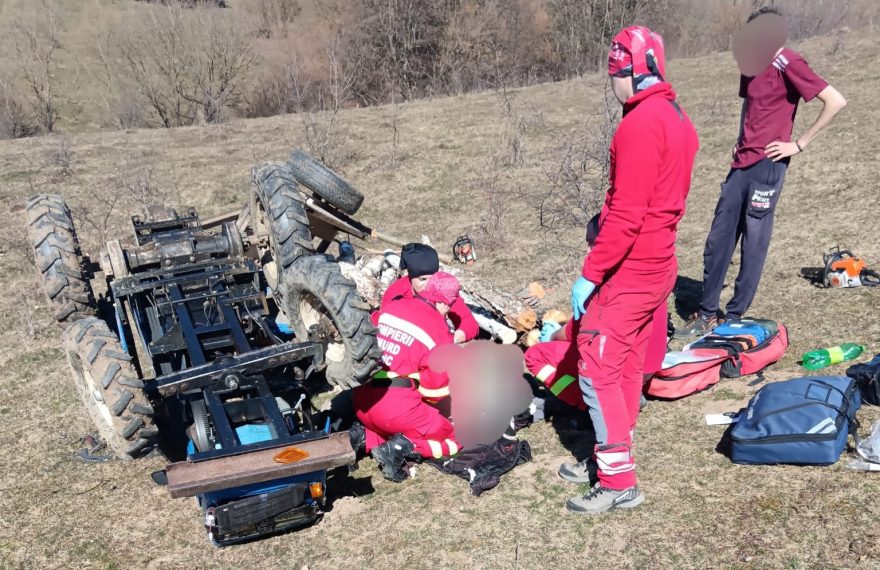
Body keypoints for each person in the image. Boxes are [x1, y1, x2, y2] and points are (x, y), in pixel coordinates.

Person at [563, 25, 699, 514]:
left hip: (632, 268)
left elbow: (626, 213)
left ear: (633, 72)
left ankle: (619, 481)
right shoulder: (678, 117)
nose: (614, 86)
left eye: (615, 76)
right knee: (621, 362)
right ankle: (610, 453)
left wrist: (591, 272)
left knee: (598, 366)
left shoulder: (639, 124)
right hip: (660, 262)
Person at [677, 6, 847, 337]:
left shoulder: (789, 62)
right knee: (718, 238)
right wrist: (740, 140)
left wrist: (798, 144)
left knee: (753, 241)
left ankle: (735, 314)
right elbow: (750, 105)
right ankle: (707, 313)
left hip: (768, 166)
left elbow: (835, 100)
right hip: (741, 162)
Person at [525, 215, 668, 413]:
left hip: (623, 368)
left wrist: (550, 335)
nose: (588, 250)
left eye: (594, 243)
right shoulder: (651, 275)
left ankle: (588, 405)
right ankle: (631, 393)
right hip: (651, 365)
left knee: (535, 356)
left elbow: (575, 334)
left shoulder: (607, 283)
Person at [353, 271, 464, 481]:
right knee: (455, 437)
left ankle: (365, 437)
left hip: (362, 400)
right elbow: (435, 392)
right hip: (396, 408)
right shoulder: (439, 331)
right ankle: (405, 448)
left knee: (391, 425)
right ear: (447, 303)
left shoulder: (390, 307)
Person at [379, 243, 479, 343]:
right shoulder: (396, 293)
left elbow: (470, 324)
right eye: (423, 279)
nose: (429, 285)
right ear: (410, 277)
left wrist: (449, 340)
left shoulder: (443, 289)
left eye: (433, 279)